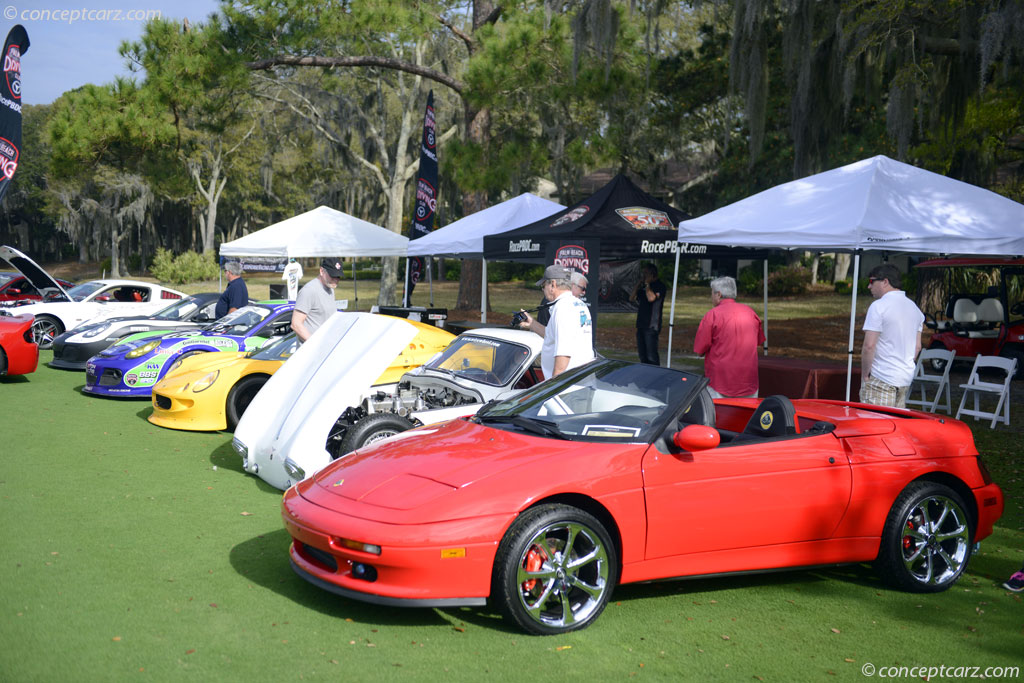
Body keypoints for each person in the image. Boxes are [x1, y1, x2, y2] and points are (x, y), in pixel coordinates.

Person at [860, 264, 924, 408]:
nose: (869, 287)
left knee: (875, 427)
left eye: (871, 282)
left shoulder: (878, 306)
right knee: (895, 426)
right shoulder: (915, 309)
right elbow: (917, 347)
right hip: (904, 379)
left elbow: (869, 346)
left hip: (880, 378)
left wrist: (865, 375)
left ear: (885, 282)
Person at [694, 276, 766, 398]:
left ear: (719, 295)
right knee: (746, 416)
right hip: (748, 380)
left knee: (718, 415)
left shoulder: (712, 315)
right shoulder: (750, 313)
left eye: (712, 293)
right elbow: (759, 341)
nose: (711, 296)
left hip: (720, 381)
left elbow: (700, 349)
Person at [517, 265, 594, 379]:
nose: (543, 289)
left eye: (543, 285)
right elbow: (553, 335)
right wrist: (532, 323)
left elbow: (564, 353)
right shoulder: (579, 304)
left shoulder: (563, 308)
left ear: (553, 284)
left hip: (568, 387)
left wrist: (553, 387)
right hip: (581, 381)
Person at [291, 259, 343, 342]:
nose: (336, 280)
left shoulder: (330, 289)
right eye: (332, 275)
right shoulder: (309, 290)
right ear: (322, 271)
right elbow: (296, 324)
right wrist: (315, 344)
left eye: (338, 276)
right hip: (312, 352)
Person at [630, 263, 666, 365]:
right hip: (641, 324)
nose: (644, 275)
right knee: (642, 355)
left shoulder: (660, 286)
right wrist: (638, 284)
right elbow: (631, 298)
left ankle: (654, 376)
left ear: (652, 274)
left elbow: (651, 298)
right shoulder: (643, 288)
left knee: (651, 356)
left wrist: (647, 285)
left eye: (646, 273)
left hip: (651, 325)